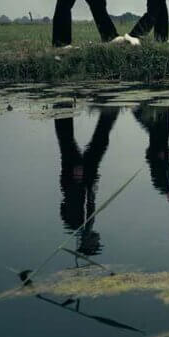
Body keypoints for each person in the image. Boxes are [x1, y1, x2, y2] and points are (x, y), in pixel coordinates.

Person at [55, 109, 119, 255]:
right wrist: (92, 185)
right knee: (99, 142)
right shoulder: (84, 227)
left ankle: (63, 108)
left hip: (76, 177)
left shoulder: (76, 224)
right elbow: (75, 205)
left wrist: (77, 179)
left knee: (68, 141)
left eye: (95, 244)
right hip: (85, 179)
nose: (98, 240)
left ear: (87, 243)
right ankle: (109, 112)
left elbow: (70, 200)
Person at [133, 105, 169, 207]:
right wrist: (166, 154)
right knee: (158, 128)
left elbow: (155, 168)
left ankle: (138, 111)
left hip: (157, 151)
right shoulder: (166, 185)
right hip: (161, 151)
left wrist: (159, 156)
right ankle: (161, 110)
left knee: (154, 129)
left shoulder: (161, 185)